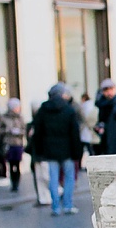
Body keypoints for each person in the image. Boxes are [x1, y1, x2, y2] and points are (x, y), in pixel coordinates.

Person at [28, 83, 82, 217]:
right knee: (69, 178)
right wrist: (77, 152)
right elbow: (74, 133)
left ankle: (55, 206)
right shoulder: (68, 110)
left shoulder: (43, 110)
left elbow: (38, 132)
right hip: (67, 149)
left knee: (54, 178)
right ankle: (68, 205)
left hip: (50, 150)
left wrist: (40, 149)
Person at [0, 98, 27, 194]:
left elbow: (24, 129)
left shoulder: (20, 117)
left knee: (17, 164)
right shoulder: (4, 118)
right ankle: (13, 183)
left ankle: (17, 182)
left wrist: (19, 132)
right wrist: (7, 130)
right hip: (8, 144)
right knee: (11, 164)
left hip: (18, 143)